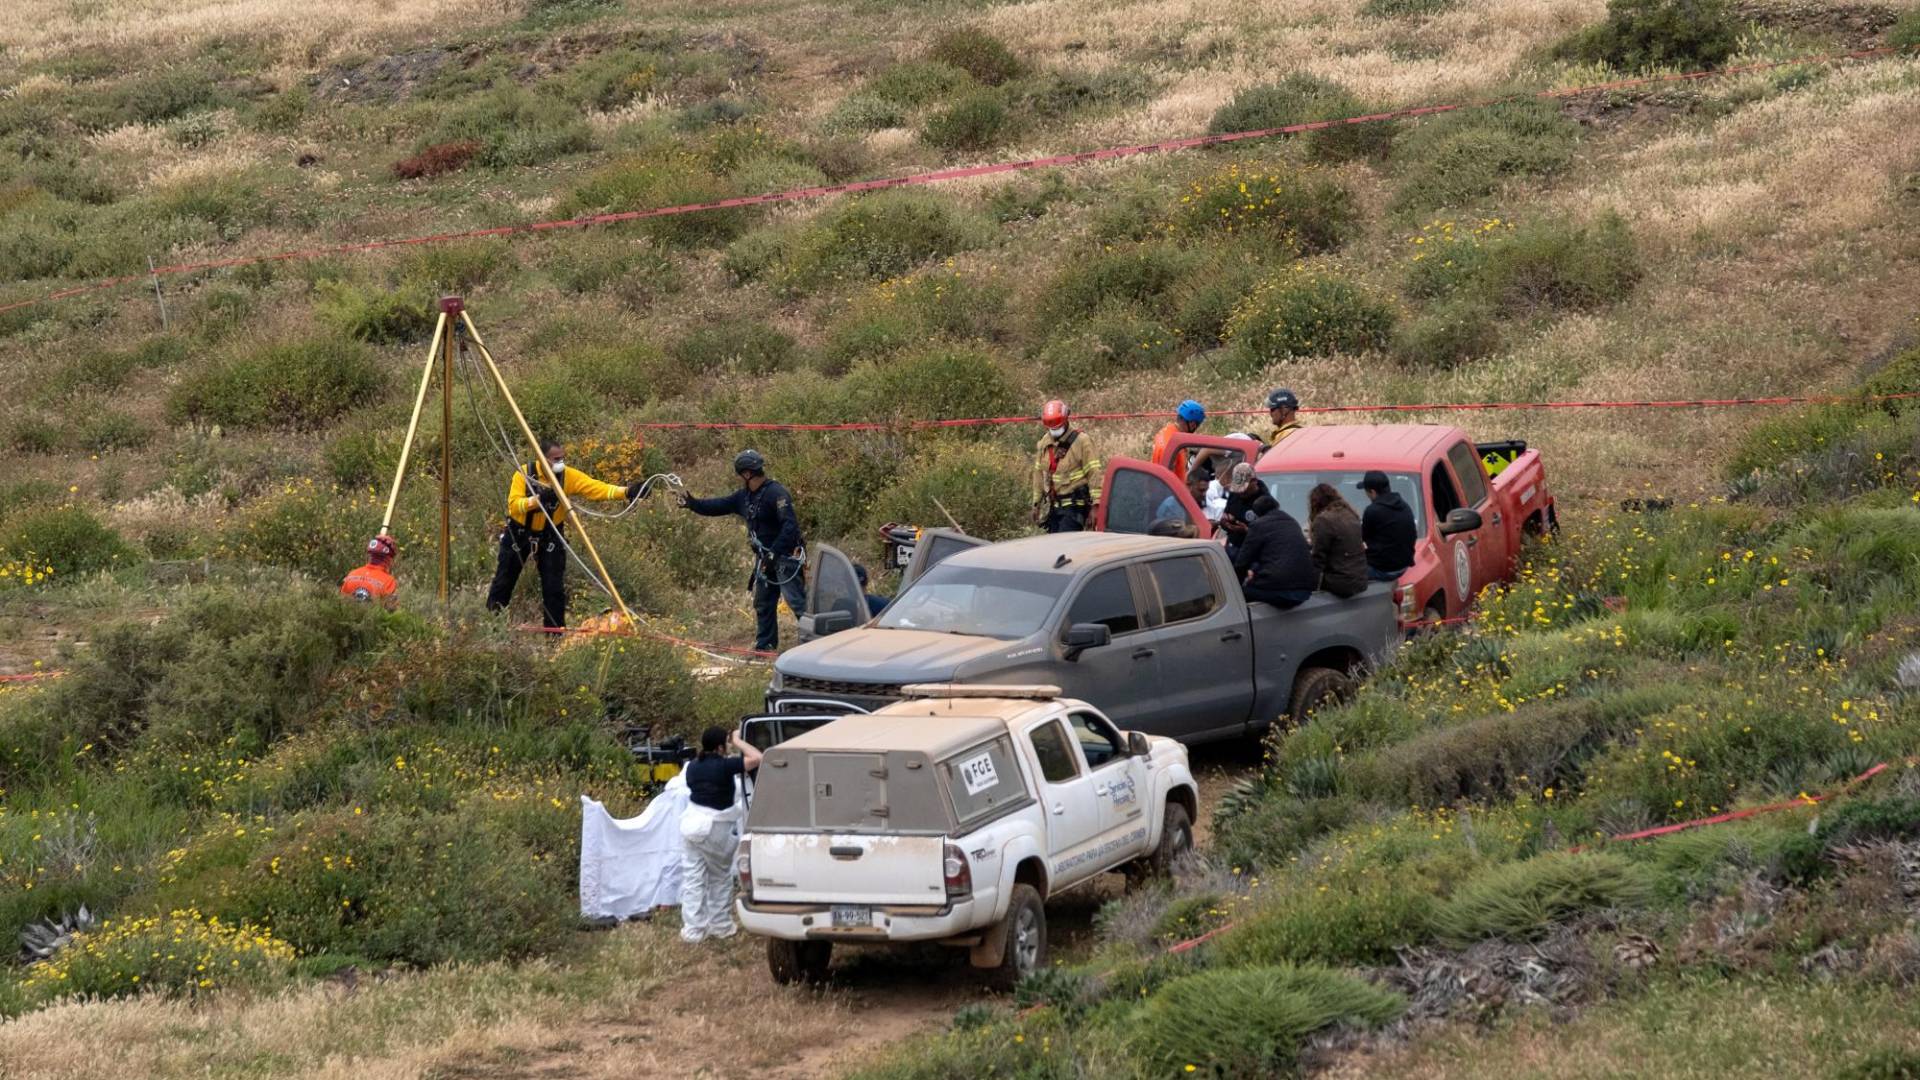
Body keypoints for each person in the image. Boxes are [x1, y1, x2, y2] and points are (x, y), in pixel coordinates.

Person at [487, 440, 649, 628]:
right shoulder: (524, 474)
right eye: (556, 459)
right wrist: (537, 500)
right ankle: (493, 627)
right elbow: (514, 505)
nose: (560, 462)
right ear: (542, 459)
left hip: (550, 536)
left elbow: (596, 488)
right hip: (519, 534)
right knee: (504, 582)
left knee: (553, 589)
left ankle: (554, 637)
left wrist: (628, 492)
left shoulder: (567, 477)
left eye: (562, 458)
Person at [678, 449, 806, 652]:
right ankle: (765, 649)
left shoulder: (777, 493)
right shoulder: (744, 497)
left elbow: (790, 527)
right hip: (765, 560)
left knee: (797, 603)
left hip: (785, 558)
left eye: (740, 474)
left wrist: (775, 553)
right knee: (763, 604)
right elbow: (719, 505)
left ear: (747, 474)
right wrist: (693, 504)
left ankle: (815, 645)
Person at [678, 725, 762, 944]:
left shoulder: (692, 767)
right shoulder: (725, 766)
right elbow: (758, 757)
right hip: (715, 828)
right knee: (719, 877)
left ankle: (694, 930)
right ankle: (721, 926)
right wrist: (738, 740)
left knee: (693, 879)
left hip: (690, 826)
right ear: (720, 746)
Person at [1031, 399, 1103, 533]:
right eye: (1051, 428)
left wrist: (1096, 505)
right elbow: (1038, 475)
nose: (1054, 430)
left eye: (1057, 427)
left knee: (1065, 548)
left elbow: (1094, 473)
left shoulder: (1082, 441)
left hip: (1075, 508)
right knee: (1054, 548)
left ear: (1066, 420)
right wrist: (1036, 504)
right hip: (1055, 508)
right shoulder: (1044, 444)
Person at [1233, 495, 1316, 608]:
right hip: (1304, 591)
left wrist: (1234, 585)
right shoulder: (1292, 522)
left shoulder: (1258, 525)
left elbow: (1242, 562)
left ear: (1257, 513)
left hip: (1280, 591)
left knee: (1237, 595)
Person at [1307, 483, 1367, 598]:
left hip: (1341, 582)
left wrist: (1309, 585)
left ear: (1316, 502)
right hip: (1360, 579)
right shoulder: (1350, 514)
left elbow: (1318, 559)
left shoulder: (1323, 519)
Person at [1357, 470, 1416, 582]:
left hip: (1383, 570)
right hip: (1404, 565)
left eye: (1366, 491)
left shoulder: (1372, 511)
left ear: (1373, 492)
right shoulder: (1403, 505)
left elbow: (1362, 539)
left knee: (1343, 573)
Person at [1217, 462, 1269, 560]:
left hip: (1254, 553)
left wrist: (1246, 531)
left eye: (1244, 489)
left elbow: (1267, 534)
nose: (1240, 492)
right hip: (1232, 546)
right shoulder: (1234, 494)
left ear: (1254, 481)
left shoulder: (1265, 501)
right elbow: (1227, 513)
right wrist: (1225, 522)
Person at [1149, 399, 1206, 479]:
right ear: (1193, 424)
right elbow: (1167, 477)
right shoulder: (1173, 445)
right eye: (1198, 425)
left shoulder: (1165, 432)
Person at [340, 534, 399, 603]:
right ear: (388, 559)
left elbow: (341, 601)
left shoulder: (352, 574)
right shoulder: (389, 581)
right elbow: (392, 610)